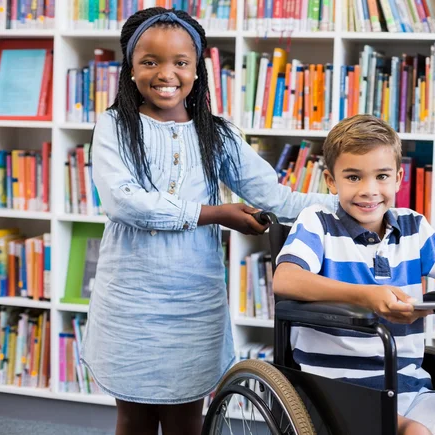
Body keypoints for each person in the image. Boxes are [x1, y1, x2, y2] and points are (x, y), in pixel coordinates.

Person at [79, 7, 337, 435]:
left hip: (193, 303)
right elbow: (124, 202)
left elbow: (278, 197)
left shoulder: (217, 133)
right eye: (150, 61)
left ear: (198, 71)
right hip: (131, 302)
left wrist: (351, 204)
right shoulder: (113, 126)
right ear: (129, 70)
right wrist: (214, 214)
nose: (167, 73)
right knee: (134, 418)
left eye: (181, 62)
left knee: (186, 420)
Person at [272, 114, 435, 435]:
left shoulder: (412, 226)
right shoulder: (317, 222)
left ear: (398, 178)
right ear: (331, 181)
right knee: (414, 433)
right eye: (353, 177)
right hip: (336, 389)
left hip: (408, 384)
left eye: (381, 176)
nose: (369, 190)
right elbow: (286, 279)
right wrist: (367, 296)